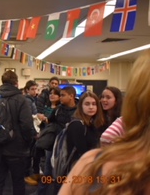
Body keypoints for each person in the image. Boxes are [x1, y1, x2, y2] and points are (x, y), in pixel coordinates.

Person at [59, 50, 150, 195]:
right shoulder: (79, 126)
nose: (100, 102)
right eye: (88, 104)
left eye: (94, 104)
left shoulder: (102, 124)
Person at [0, 70, 34, 195]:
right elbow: (26, 125)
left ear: (2, 82)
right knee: (18, 182)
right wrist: (28, 142)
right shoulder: (21, 100)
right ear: (16, 83)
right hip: (17, 148)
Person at [54, 91, 104, 193]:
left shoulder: (92, 124)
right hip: (76, 170)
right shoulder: (77, 125)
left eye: (94, 104)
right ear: (81, 106)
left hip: (86, 169)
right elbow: (83, 152)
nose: (91, 107)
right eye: (87, 104)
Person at [34, 86, 77, 195]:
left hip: (71, 148)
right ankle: (41, 192)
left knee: (68, 174)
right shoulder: (58, 109)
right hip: (55, 146)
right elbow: (50, 120)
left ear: (71, 96)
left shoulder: (79, 110)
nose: (60, 98)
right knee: (48, 172)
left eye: (63, 95)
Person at [23, 80, 44, 186]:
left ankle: (29, 174)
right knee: (29, 154)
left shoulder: (33, 100)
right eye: (32, 89)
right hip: (31, 131)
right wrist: (34, 133)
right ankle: (27, 175)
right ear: (27, 90)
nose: (35, 91)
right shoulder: (27, 101)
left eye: (36, 89)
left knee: (32, 154)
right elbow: (28, 118)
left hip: (34, 130)